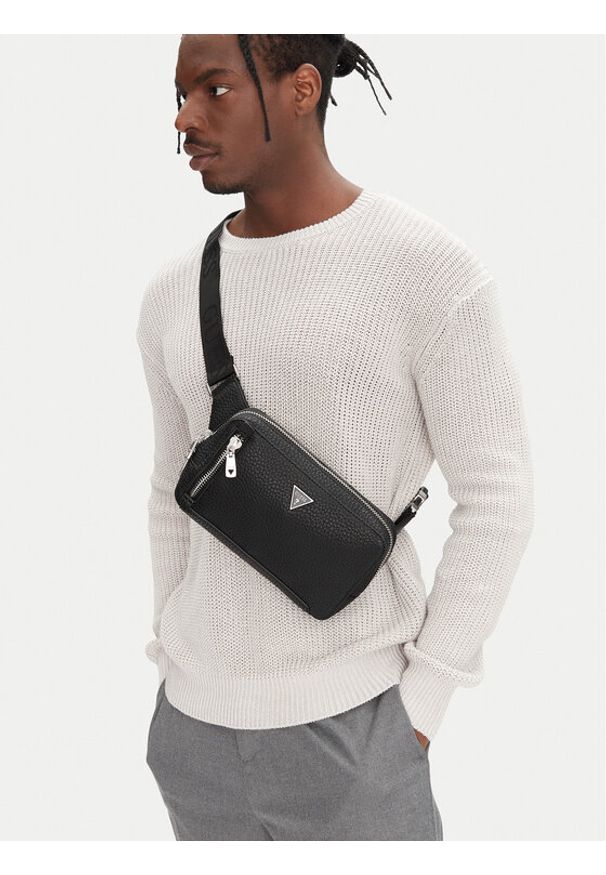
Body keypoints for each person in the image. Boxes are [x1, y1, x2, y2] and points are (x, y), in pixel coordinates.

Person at [136, 34, 534, 841]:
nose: (184, 119)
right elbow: (170, 492)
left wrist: (418, 710)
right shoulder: (173, 292)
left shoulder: (426, 269)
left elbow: (499, 499)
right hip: (192, 739)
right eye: (180, 94)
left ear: (302, 89)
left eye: (215, 89)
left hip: (356, 733)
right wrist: (172, 666)